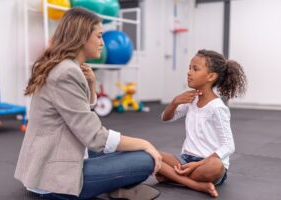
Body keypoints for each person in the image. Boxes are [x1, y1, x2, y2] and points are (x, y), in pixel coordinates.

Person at [14, 7, 162, 200]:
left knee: (127, 150)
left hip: (45, 168)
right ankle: (117, 186)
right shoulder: (67, 72)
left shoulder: (64, 66)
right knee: (145, 158)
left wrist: (91, 84)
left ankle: (117, 186)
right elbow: (95, 137)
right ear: (83, 37)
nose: (102, 43)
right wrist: (146, 143)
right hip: (52, 181)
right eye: (99, 36)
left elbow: (79, 114)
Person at [156, 49, 247, 197]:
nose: (189, 72)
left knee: (216, 166)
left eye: (195, 69)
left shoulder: (217, 108)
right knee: (151, 154)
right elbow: (166, 118)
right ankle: (194, 184)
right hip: (184, 159)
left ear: (211, 76)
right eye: (189, 68)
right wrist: (174, 102)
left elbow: (229, 146)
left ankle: (172, 177)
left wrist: (198, 164)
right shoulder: (192, 99)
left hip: (206, 164)